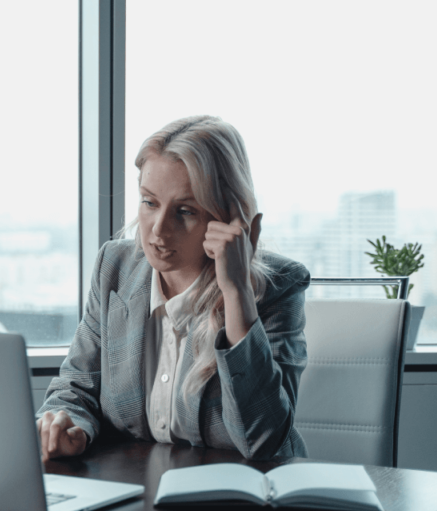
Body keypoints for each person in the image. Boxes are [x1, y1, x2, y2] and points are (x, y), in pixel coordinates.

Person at [36, 115, 310, 462]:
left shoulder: (277, 287)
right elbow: (76, 388)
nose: (158, 231)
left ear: (228, 216)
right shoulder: (115, 268)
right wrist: (68, 425)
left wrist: (237, 292)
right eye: (149, 202)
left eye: (185, 211)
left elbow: (265, 443)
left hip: (238, 505)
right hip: (136, 494)